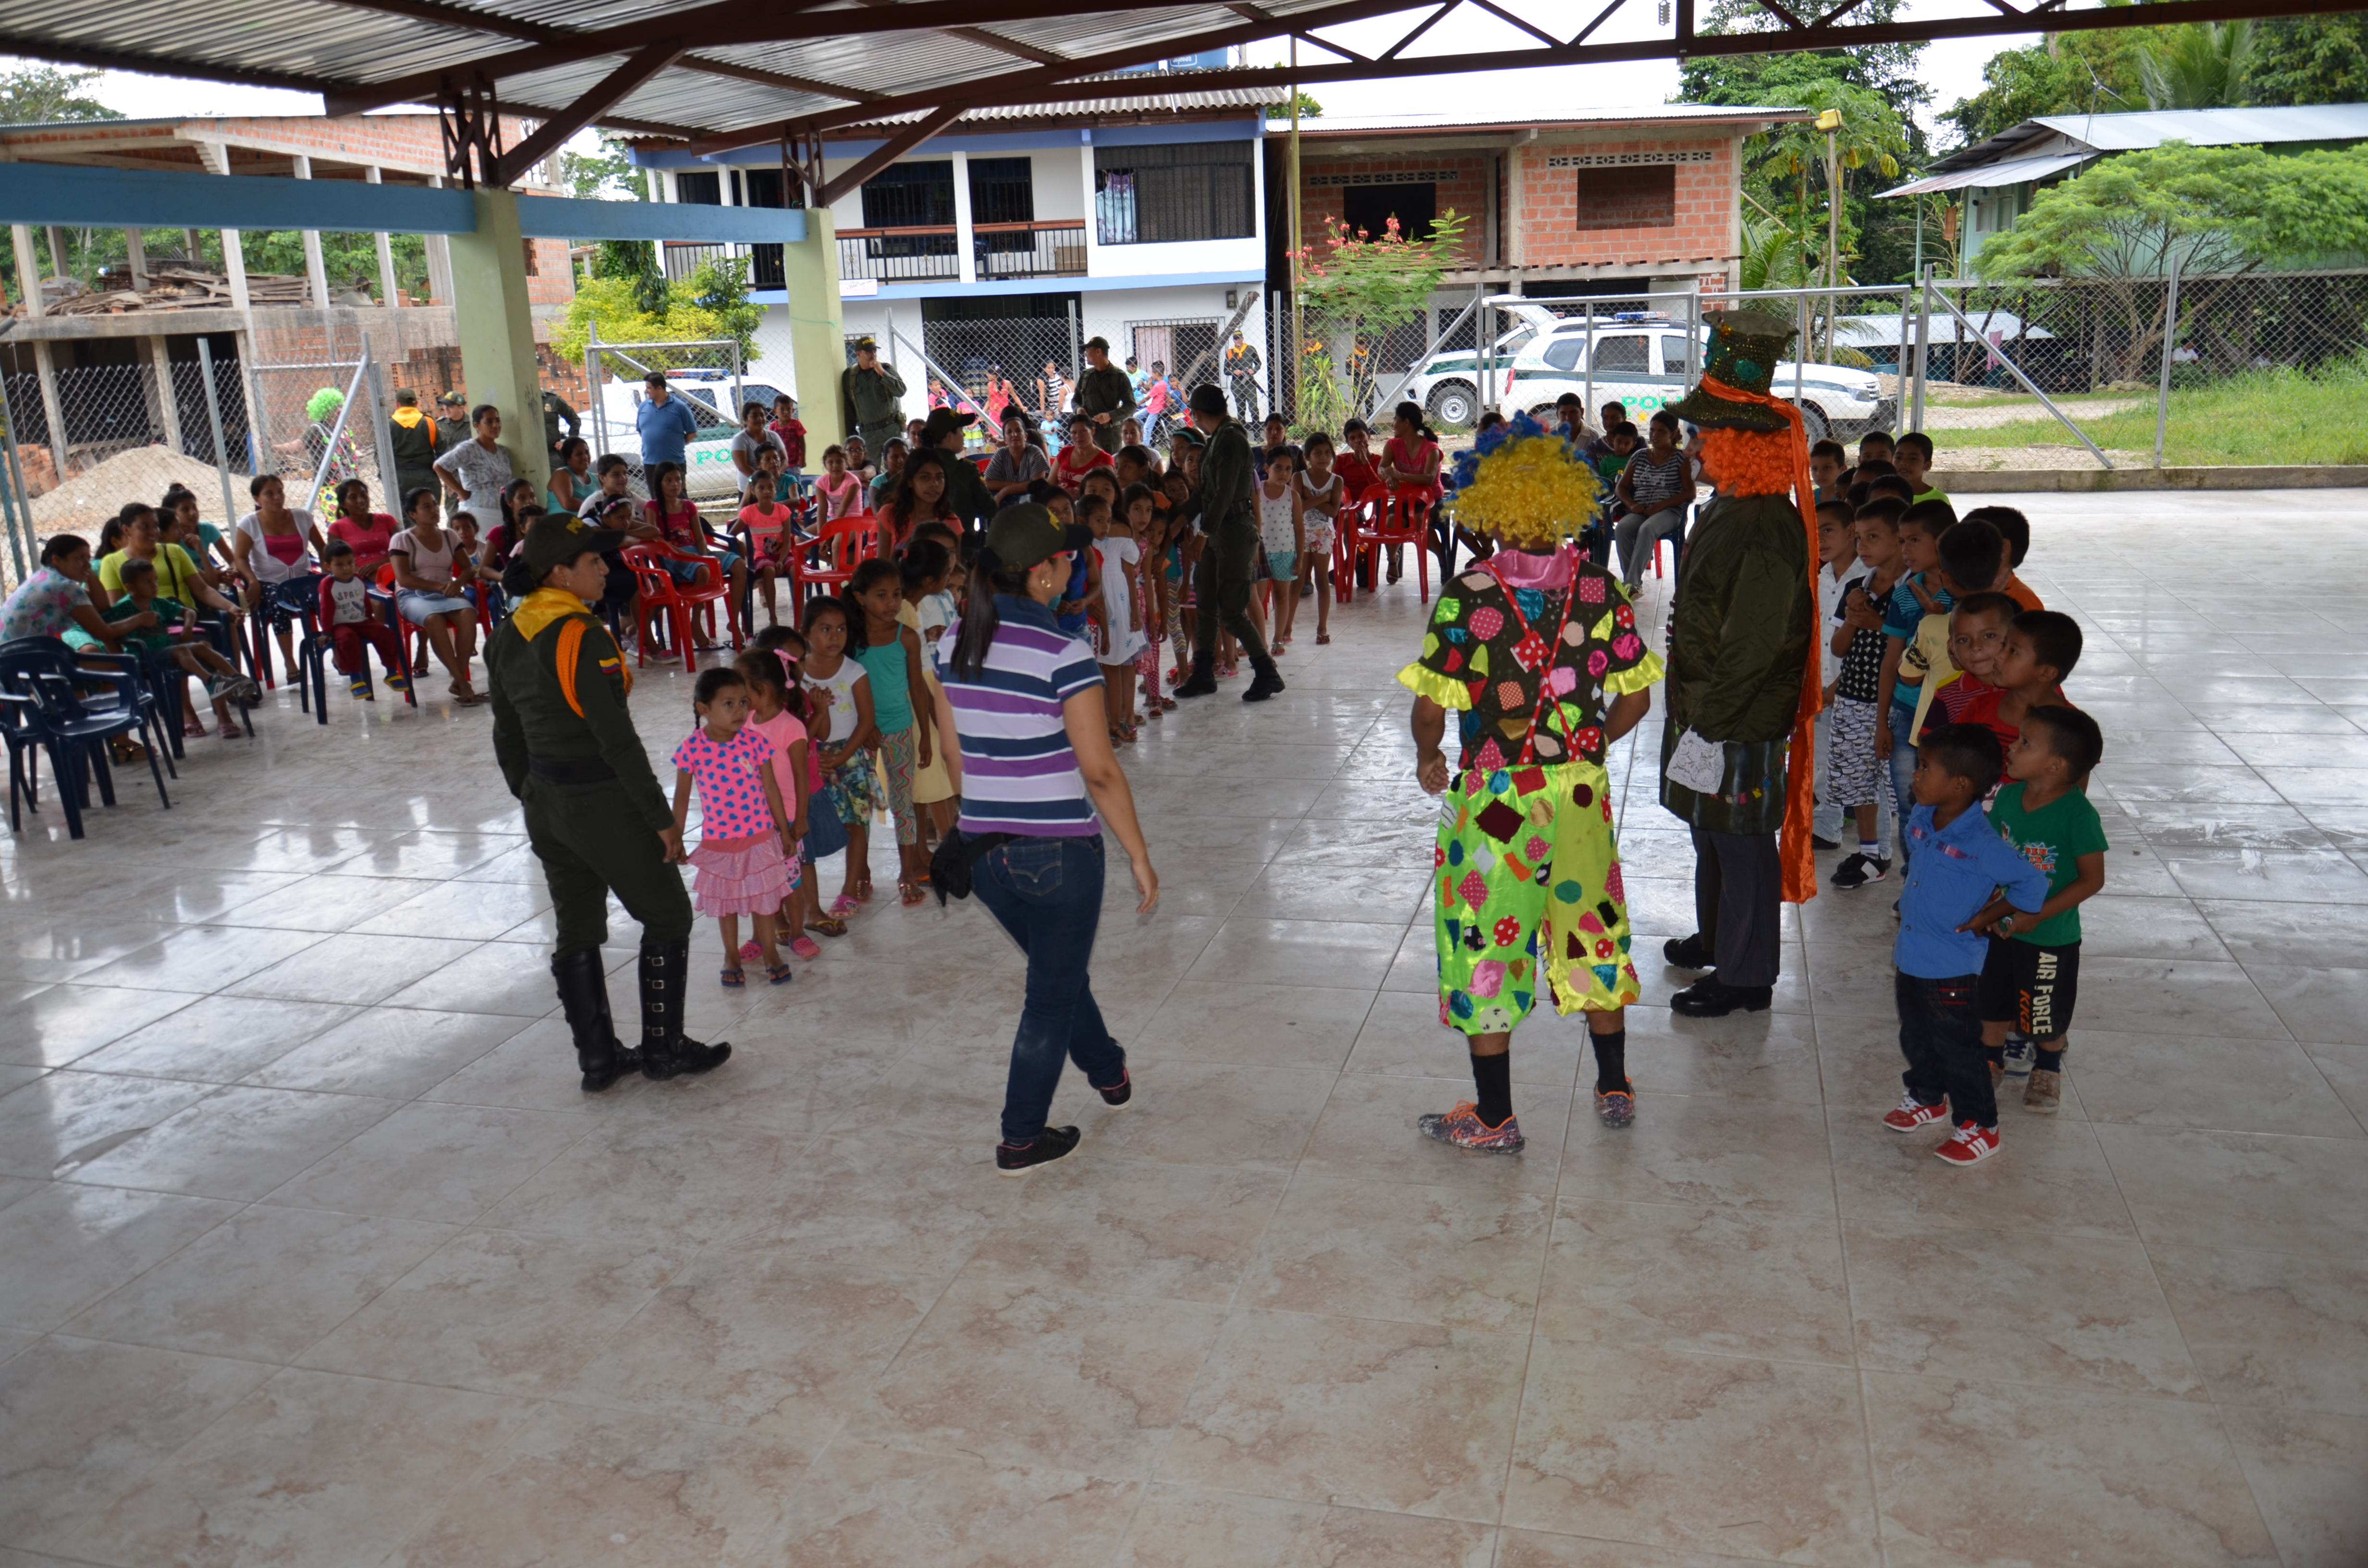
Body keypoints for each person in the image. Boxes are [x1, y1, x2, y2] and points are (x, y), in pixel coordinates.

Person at [1401, 412, 1662, 1146]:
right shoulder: (1599, 589)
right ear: (1564, 499)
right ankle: (1614, 1085)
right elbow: (1636, 698)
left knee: (1488, 938)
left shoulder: (1472, 595)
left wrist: (1430, 757)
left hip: (1498, 801)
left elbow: (1431, 706)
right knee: (1591, 929)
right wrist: (1586, 748)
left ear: (1488, 503)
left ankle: (1495, 1117)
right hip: (1578, 793)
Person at [929, 502, 1158, 1173]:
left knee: (1057, 977)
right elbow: (1100, 772)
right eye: (1065, 556)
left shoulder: (951, 643)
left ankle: (1108, 1070)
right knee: (1049, 998)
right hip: (1060, 855)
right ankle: (1021, 1136)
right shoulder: (1064, 651)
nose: (1072, 562)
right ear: (1042, 575)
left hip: (987, 855)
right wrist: (1140, 857)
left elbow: (955, 758)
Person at [488, 514, 731, 1089]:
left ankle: (598, 1060)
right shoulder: (580, 636)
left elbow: (506, 731)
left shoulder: (507, 633)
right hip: (598, 798)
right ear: (559, 573)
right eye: (593, 562)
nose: (605, 569)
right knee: (668, 914)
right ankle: (663, 1048)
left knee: (576, 929)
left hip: (547, 802)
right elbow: (615, 739)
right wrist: (661, 820)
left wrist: (528, 789)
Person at [1656, 312, 1820, 1020]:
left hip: (1736, 717)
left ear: (1735, 444)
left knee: (1741, 841)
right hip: (1708, 708)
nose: (1691, 444)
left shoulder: (1763, 524)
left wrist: (1710, 726)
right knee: (1711, 830)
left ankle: (1747, 975)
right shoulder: (1729, 507)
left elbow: (1753, 646)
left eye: (1701, 434)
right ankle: (1722, 937)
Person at [1882, 723, 2049, 1167]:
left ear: (1960, 784)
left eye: (1924, 769)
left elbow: (2032, 884)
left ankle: (1980, 1126)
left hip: (1951, 965)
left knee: (1959, 1047)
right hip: (1911, 955)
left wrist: (1987, 916)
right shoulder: (1922, 817)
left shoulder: (1983, 843)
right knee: (1916, 1033)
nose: (1915, 777)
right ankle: (1927, 1096)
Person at [1977, 706, 2107, 1112]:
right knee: (1992, 1000)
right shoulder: (2009, 798)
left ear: (2055, 765)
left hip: (2050, 936)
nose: (2012, 748)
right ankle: (1990, 1062)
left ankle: (2048, 1068)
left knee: (2042, 1009)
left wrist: (2038, 915)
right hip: (2001, 927)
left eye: (2025, 743)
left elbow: (2092, 879)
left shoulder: (2078, 815)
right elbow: (1990, 855)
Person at [670, 666, 799, 988]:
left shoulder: (755, 743)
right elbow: (682, 799)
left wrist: (784, 831)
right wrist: (676, 837)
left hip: (760, 837)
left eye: (743, 702)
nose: (740, 711)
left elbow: (771, 790)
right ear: (704, 709)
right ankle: (731, 955)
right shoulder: (692, 748)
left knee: (765, 899)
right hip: (720, 841)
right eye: (729, 704)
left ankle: (771, 952)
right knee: (725, 902)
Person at [1173, 384, 1283, 702]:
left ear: (1195, 414)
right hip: (1217, 531)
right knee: (1206, 603)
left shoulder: (1232, 438)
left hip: (1234, 533)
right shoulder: (1217, 438)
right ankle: (1203, 673)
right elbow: (1205, 494)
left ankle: (1267, 673)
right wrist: (1180, 520)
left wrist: (1203, 534)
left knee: (1232, 609)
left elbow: (1222, 494)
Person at [1874, 499, 1956, 867]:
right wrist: (1882, 723)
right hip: (1908, 713)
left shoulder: (1966, 597)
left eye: (1914, 541)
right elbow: (1891, 661)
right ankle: (1914, 881)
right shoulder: (1905, 593)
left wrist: (1940, 621)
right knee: (1911, 803)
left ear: (1943, 541)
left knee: (1956, 806)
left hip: (1956, 712)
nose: (1905, 550)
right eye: (1902, 541)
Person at [1827, 501, 1902, 888]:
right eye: (1859, 538)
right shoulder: (1859, 587)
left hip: (1893, 704)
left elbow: (1911, 647)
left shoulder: (1911, 594)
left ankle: (1910, 859)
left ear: (1900, 540)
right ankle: (1870, 854)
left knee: (1896, 784)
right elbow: (1839, 648)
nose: (1863, 546)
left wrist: (1876, 622)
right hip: (1852, 697)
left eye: (1873, 537)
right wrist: (1856, 620)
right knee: (1857, 778)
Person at [799, 593, 880, 917]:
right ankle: (805, 892)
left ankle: (850, 890)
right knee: (810, 824)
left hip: (851, 756)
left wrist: (846, 754)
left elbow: (867, 720)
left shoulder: (854, 671)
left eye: (842, 629)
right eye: (825, 629)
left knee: (855, 823)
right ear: (805, 633)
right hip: (811, 758)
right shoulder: (798, 674)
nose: (835, 637)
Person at [389, 485, 487, 705]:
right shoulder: (402, 540)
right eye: (426, 507)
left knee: (469, 614)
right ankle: (462, 682)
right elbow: (403, 579)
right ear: (412, 514)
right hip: (412, 596)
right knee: (433, 619)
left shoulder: (449, 535)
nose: (434, 510)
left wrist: (458, 582)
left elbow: (468, 569)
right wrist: (440, 588)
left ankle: (458, 679)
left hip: (446, 592)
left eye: (435, 504)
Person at [232, 473, 328, 675]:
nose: (277, 497)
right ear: (257, 500)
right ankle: (290, 663)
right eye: (269, 494)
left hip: (303, 580)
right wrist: (252, 581)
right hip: (270, 583)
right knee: (278, 602)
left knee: (324, 597)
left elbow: (322, 548)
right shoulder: (249, 523)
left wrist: (327, 573)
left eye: (280, 492)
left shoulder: (302, 517)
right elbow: (240, 558)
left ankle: (335, 651)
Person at [645, 462, 748, 643]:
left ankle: (733, 621)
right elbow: (655, 539)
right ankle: (695, 624)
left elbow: (700, 539)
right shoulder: (652, 507)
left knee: (739, 565)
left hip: (695, 553)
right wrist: (682, 554)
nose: (675, 484)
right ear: (659, 484)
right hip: (671, 556)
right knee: (703, 570)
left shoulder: (688, 506)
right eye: (669, 480)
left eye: (678, 479)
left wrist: (705, 556)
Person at [1611, 410, 1696, 589]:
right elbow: (1621, 488)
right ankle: (1632, 583)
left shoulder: (1681, 458)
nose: (1654, 435)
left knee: (1647, 529)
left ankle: (1630, 584)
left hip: (1670, 511)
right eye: (1652, 430)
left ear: (1673, 434)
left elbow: (1690, 493)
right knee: (1623, 529)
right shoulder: (1639, 456)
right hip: (1641, 509)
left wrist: (1661, 506)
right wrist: (1632, 505)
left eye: (1661, 431)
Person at [319, 539, 412, 701]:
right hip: (340, 625)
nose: (347, 568)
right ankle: (356, 680)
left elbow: (365, 601)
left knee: (386, 634)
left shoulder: (357, 579)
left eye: (350, 563)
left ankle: (391, 673)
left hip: (362, 621)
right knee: (348, 639)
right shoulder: (328, 584)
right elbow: (326, 609)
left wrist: (371, 620)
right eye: (340, 565)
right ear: (328, 566)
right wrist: (326, 632)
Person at [1098, 485, 1149, 741]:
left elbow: (1130, 574)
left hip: (1119, 606)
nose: (1099, 493)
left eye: (1106, 489)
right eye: (1092, 488)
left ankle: (1126, 718)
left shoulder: (1122, 530)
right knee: (1106, 665)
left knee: (1124, 662)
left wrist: (1135, 611)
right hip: (1096, 605)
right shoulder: (1080, 533)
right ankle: (1110, 720)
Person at [433, 403, 515, 539]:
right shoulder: (469, 449)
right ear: (477, 426)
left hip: (502, 511)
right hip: (478, 511)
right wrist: (461, 492)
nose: (495, 425)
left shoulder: (502, 451)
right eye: (489, 422)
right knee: (484, 551)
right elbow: (440, 466)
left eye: (497, 420)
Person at [919, 407, 998, 531]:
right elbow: (990, 509)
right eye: (961, 430)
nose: (964, 434)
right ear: (950, 436)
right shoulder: (965, 470)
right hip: (962, 545)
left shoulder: (917, 467)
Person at [1256, 444, 1303, 649]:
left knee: (1281, 596)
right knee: (1258, 599)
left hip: (1285, 553)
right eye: (1278, 468)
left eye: (1288, 469)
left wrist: (1299, 557)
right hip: (1260, 554)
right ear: (1267, 468)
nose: (1284, 473)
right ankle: (1258, 640)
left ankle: (1278, 637)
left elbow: (1300, 530)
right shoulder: (1256, 493)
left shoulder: (1292, 496)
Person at [1295, 430, 1340, 646]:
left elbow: (1333, 513)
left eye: (1327, 453)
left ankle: (1322, 626)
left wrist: (1311, 498)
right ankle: (1286, 628)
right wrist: (1322, 498)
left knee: (1322, 581)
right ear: (1307, 457)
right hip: (1301, 534)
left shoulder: (1336, 480)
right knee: (1298, 580)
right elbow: (1298, 508)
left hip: (1323, 535)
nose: (1323, 457)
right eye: (1317, 453)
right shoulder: (1298, 478)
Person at [840, 337, 907, 455]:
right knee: (871, 470)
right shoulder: (850, 376)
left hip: (891, 429)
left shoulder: (886, 369)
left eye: (874, 351)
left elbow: (901, 391)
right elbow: (849, 408)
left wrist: (882, 373)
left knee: (899, 467)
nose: (873, 355)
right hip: (868, 434)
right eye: (868, 352)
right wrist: (851, 436)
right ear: (858, 354)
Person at [1072, 336, 1135, 454]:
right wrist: (1078, 409)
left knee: (1110, 468)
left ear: (1098, 352)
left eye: (1088, 350)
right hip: (1088, 434)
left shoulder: (1119, 376)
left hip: (1110, 435)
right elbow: (1075, 400)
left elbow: (1131, 406)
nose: (1085, 354)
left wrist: (1110, 416)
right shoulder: (1086, 376)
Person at [634, 372, 701, 480]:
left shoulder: (680, 407)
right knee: (655, 496)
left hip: (674, 463)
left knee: (677, 495)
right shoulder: (643, 407)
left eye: (649, 388)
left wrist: (677, 444)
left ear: (660, 388)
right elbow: (641, 431)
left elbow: (692, 433)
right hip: (650, 463)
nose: (646, 391)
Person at [385, 388, 442, 505]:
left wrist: (385, 477)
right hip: (427, 476)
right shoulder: (429, 422)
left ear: (397, 404)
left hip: (400, 478)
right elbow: (443, 452)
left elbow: (379, 455)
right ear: (416, 404)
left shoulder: (388, 425)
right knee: (430, 514)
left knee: (405, 517)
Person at [985, 412, 1050, 502]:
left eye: (1018, 431)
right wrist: (1020, 486)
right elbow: (987, 483)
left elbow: (1038, 485)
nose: (1014, 435)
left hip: (1032, 503)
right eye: (1009, 432)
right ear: (1005, 439)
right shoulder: (1001, 453)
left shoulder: (1035, 452)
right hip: (1006, 502)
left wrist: (1005, 491)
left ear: (1026, 437)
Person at [1053, 412, 1114, 496]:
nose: (1078, 436)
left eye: (1083, 431)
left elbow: (1108, 492)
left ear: (1092, 431)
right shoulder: (1065, 452)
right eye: (1074, 433)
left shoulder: (1104, 459)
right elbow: (1051, 484)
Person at [730, 401, 786, 485]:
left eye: (762, 415)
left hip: (773, 486)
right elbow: (743, 467)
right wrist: (764, 481)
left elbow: (784, 459)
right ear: (746, 420)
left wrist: (776, 477)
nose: (760, 419)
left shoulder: (773, 436)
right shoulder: (739, 439)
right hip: (750, 486)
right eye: (754, 416)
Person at [814, 445, 865, 523]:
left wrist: (831, 531)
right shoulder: (821, 483)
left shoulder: (853, 482)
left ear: (847, 464)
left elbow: (843, 509)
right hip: (832, 519)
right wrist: (821, 534)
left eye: (839, 462)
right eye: (830, 462)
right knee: (801, 536)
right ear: (825, 465)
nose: (835, 466)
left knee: (839, 535)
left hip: (853, 521)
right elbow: (822, 510)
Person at [545, 437, 593, 516]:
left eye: (587, 452)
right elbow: (568, 503)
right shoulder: (561, 474)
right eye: (579, 454)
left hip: (590, 525)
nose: (585, 457)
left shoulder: (596, 478)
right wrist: (596, 507)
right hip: (563, 526)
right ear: (568, 459)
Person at [1895, 430, 1945, 505]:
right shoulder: (1882, 494)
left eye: (1913, 459)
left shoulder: (1938, 500)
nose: (1903, 463)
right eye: (1898, 458)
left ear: (1927, 466)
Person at [1223, 329, 1262, 421]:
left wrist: (1253, 370)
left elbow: (1259, 364)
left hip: (1249, 383)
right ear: (1234, 340)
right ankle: (1242, 432)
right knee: (1241, 409)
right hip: (1237, 383)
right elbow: (1226, 370)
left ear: (1243, 338)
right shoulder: (1230, 353)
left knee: (1254, 409)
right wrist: (1234, 372)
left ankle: (1257, 433)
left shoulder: (1251, 349)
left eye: (1239, 338)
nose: (1238, 341)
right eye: (1236, 339)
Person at [865, 439, 909, 515]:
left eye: (904, 455)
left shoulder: (915, 479)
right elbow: (878, 515)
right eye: (895, 457)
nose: (901, 460)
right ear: (886, 460)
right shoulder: (877, 482)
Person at [768, 394, 808, 478]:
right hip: (779, 463)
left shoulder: (796, 424)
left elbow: (802, 443)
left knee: (795, 484)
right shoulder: (773, 426)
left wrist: (803, 459)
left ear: (793, 410)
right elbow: (771, 445)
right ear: (775, 411)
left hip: (794, 463)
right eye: (782, 409)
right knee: (780, 486)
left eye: (789, 409)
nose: (786, 412)